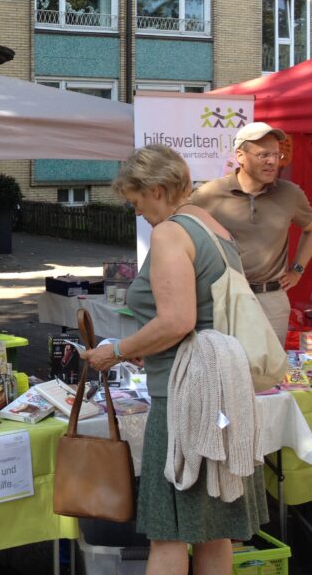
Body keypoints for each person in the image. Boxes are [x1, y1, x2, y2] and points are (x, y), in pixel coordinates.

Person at [83, 145, 266, 575]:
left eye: (137, 202)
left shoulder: (170, 232)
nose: (139, 213)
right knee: (213, 528)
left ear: (159, 190)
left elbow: (178, 321)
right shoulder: (214, 228)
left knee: (168, 535)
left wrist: (119, 351)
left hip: (185, 399)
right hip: (219, 392)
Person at [190, 121, 312, 343]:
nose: (272, 161)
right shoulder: (210, 194)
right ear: (240, 156)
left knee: (268, 373)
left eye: (276, 155)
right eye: (263, 155)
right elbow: (181, 231)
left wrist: (297, 270)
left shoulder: (289, 194)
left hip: (271, 298)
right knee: (225, 368)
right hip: (224, 298)